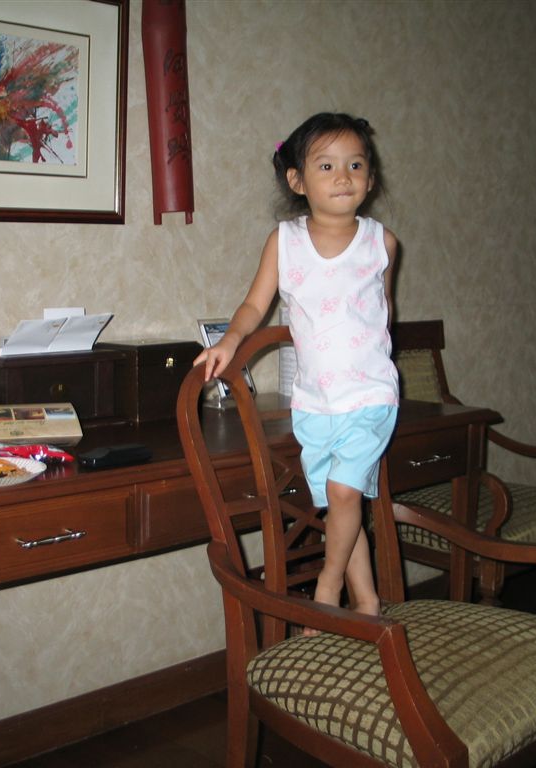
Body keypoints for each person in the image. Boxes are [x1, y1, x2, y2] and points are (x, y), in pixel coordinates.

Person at [194, 112, 399, 623]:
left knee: (344, 491)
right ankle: (368, 602)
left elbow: (384, 318)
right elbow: (252, 306)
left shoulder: (382, 244)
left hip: (370, 395)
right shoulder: (284, 242)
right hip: (314, 401)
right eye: (326, 165)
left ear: (370, 179)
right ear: (297, 180)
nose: (343, 176)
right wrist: (230, 342)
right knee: (339, 505)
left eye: (355, 164)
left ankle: (325, 594)